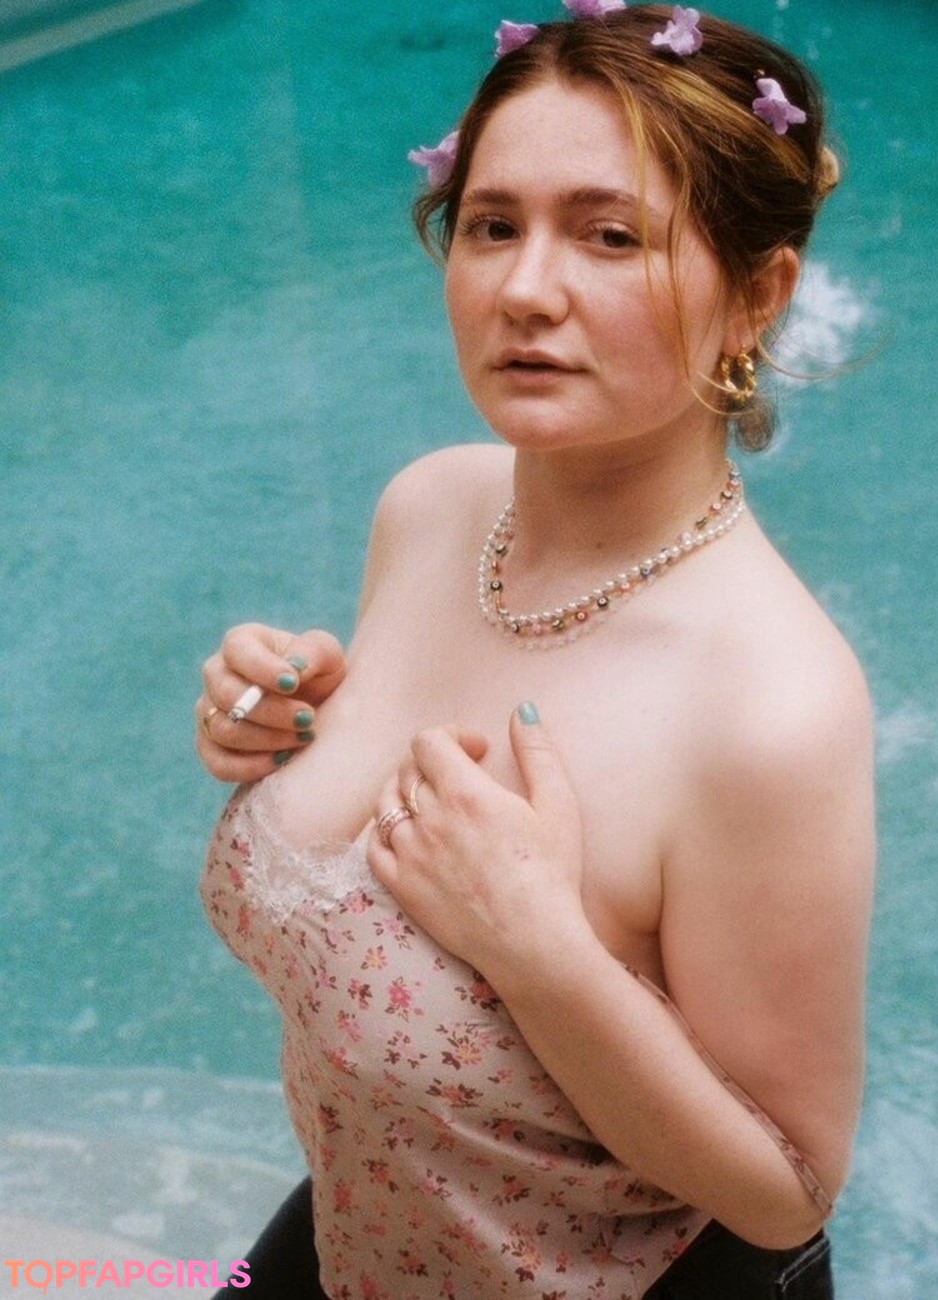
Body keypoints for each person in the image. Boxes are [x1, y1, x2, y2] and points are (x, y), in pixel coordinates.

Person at [195, 5, 875, 1297]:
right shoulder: (434, 509)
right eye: (493, 225)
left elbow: (785, 1192)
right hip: (360, 1234)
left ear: (757, 294)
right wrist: (273, 731)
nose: (523, 290)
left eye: (611, 236)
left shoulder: (770, 704)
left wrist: (537, 952)